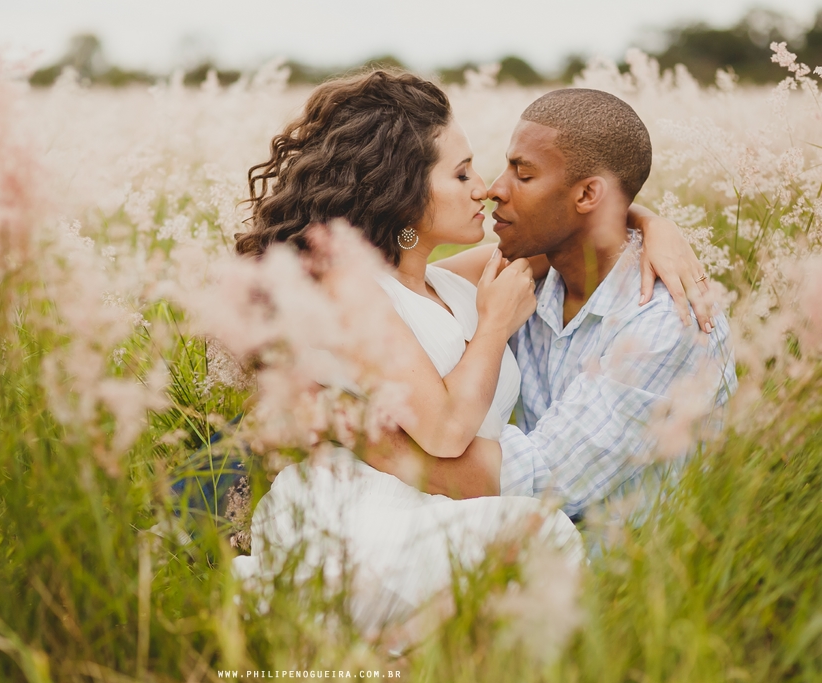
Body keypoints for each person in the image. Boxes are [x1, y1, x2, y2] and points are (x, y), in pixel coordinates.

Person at [229, 70, 708, 637]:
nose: (485, 188)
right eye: (461, 174)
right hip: (367, 515)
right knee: (546, 536)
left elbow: (579, 231)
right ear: (402, 191)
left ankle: (385, 657)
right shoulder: (353, 288)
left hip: (447, 509)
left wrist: (654, 224)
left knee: (537, 555)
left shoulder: (453, 283)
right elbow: (446, 430)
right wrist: (494, 327)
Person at [365, 89, 737, 523]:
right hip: (520, 540)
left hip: (634, 557)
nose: (493, 189)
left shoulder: (664, 323)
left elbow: (542, 479)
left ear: (588, 195)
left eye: (523, 175)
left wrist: (352, 432)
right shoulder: (521, 283)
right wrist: (648, 220)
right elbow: (410, 292)